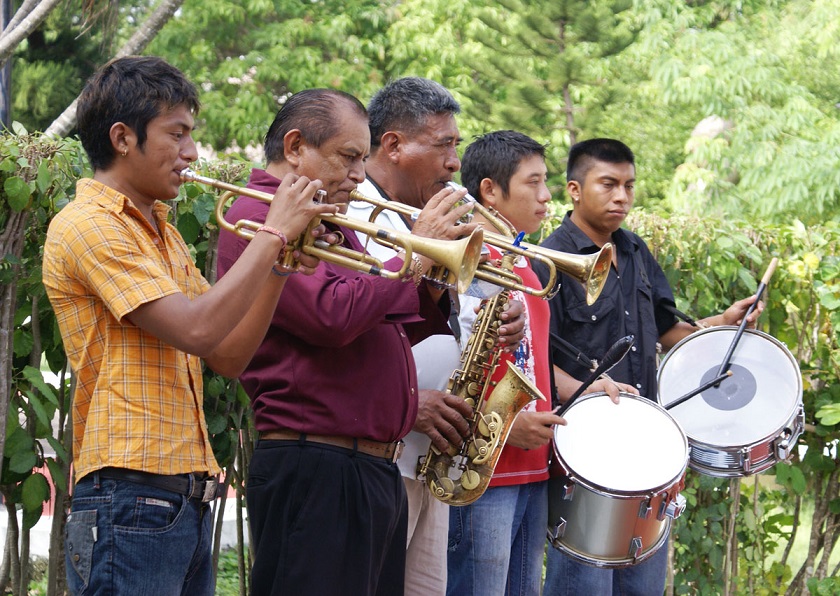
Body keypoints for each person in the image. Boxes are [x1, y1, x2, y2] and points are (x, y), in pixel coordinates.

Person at [42, 56, 336, 595]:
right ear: (123, 137)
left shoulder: (164, 233)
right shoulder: (87, 226)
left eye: (191, 135)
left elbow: (228, 355)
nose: (191, 153)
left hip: (178, 499)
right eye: (176, 135)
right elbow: (197, 330)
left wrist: (279, 268)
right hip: (128, 496)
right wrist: (272, 233)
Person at [215, 88, 480, 596]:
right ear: (295, 147)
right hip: (317, 466)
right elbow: (331, 316)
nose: (361, 175)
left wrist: (433, 280)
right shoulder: (260, 213)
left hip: (365, 467)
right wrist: (416, 256)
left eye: (363, 157)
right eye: (349, 156)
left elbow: (385, 322)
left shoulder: (323, 216)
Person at [537, 138, 763, 595]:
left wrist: (722, 324)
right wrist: (582, 390)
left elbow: (666, 330)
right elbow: (536, 357)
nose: (622, 196)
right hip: (585, 451)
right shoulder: (550, 260)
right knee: (585, 583)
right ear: (575, 190)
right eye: (608, 184)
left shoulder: (635, 251)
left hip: (646, 447)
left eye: (629, 186)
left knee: (642, 585)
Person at [347, 78, 526, 596]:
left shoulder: (436, 212)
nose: (455, 162)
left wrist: (501, 311)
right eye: (443, 144)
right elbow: (358, 315)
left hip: (430, 452)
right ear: (394, 146)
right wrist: (422, 245)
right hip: (380, 448)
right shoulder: (356, 210)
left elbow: (466, 300)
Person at [442, 130, 567, 595]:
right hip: (483, 468)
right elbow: (450, 363)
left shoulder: (525, 262)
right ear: (490, 190)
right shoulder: (467, 256)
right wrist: (503, 427)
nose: (546, 195)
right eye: (533, 182)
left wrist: (581, 387)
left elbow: (530, 356)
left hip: (529, 466)